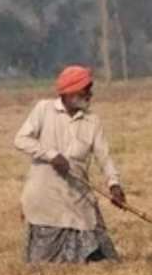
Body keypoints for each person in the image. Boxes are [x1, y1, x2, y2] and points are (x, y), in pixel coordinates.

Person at [14, 65, 126, 263]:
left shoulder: (92, 121)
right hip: (46, 197)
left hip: (78, 197)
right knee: (44, 267)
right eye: (85, 89)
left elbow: (104, 157)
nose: (90, 94)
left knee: (102, 262)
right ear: (69, 92)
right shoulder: (44, 109)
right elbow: (21, 139)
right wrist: (51, 155)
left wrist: (114, 184)